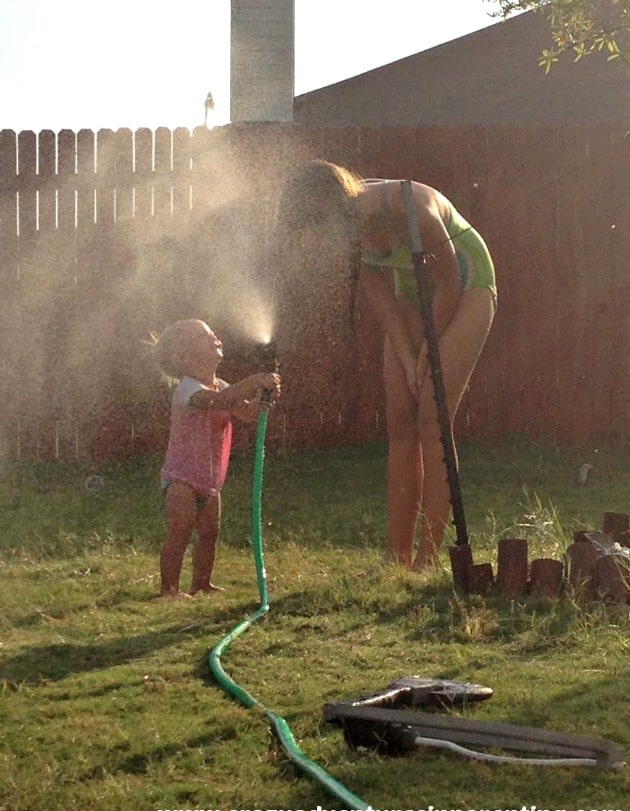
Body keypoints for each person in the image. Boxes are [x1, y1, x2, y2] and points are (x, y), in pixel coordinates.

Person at [275, 161, 496, 570]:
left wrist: (430, 353)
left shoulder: (405, 206)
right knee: (400, 421)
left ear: (334, 209)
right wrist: (409, 357)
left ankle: (428, 558)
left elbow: (448, 281)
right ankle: (396, 557)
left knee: (432, 419)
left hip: (467, 284)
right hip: (413, 292)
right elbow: (385, 302)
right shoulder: (348, 234)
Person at [153, 319, 281, 598]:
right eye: (205, 336)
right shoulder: (187, 388)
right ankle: (169, 589)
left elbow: (244, 413)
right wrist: (252, 382)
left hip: (211, 481)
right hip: (181, 479)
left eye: (214, 333)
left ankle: (201, 583)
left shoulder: (221, 386)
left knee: (210, 533)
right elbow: (217, 403)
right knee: (181, 532)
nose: (216, 338)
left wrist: (263, 400)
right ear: (183, 356)